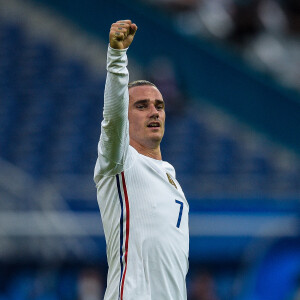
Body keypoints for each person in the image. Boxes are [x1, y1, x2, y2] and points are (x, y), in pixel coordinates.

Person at [94, 20, 189, 300]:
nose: (154, 111)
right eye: (141, 105)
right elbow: (112, 120)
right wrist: (116, 57)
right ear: (125, 116)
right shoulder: (122, 163)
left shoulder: (172, 179)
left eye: (159, 106)